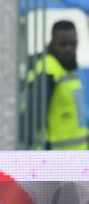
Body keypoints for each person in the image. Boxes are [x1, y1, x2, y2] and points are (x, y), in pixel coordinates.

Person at [25, 20, 88, 150]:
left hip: (75, 157)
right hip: (54, 159)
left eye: (73, 43)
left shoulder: (68, 69)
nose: (69, 49)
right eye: (63, 44)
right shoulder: (47, 71)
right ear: (52, 43)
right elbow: (32, 118)